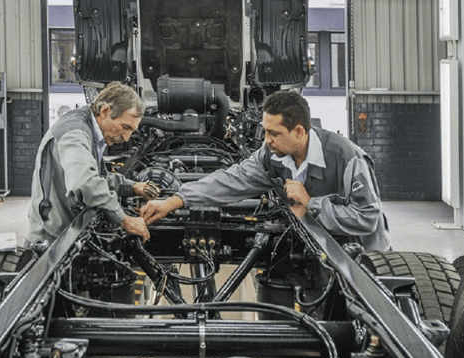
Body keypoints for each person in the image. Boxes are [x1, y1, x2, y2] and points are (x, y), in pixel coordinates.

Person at [141, 90, 390, 252]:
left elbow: (368, 217)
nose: (267, 140)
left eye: (274, 133)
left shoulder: (347, 158)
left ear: (300, 132)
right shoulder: (272, 155)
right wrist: (175, 200)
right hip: (321, 250)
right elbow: (231, 180)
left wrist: (311, 204)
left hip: (365, 261)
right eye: (265, 131)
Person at [28, 82, 155, 242]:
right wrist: (125, 219)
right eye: (125, 127)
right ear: (105, 111)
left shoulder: (90, 128)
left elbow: (99, 176)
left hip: (68, 230)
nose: (126, 138)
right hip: (51, 240)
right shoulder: (75, 133)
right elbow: (85, 182)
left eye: (131, 131)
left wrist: (132, 186)